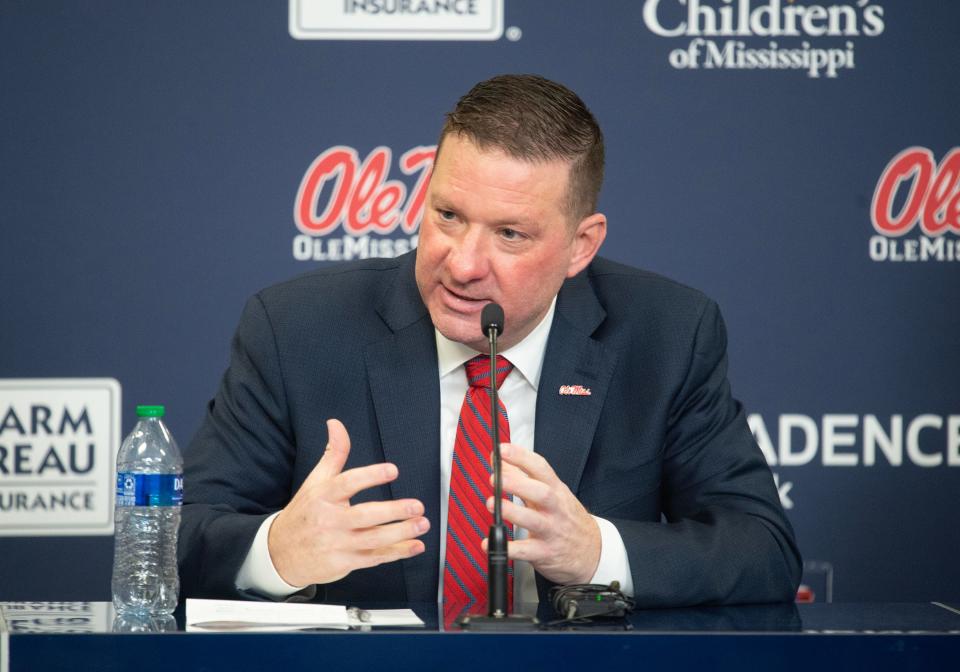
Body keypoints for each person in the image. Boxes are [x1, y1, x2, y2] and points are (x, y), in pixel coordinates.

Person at [178, 74, 801, 611]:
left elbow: (763, 549)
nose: (463, 264)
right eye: (447, 216)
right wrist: (276, 551)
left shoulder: (666, 334)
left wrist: (596, 551)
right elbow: (173, 540)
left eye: (509, 234)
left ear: (581, 246)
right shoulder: (298, 329)